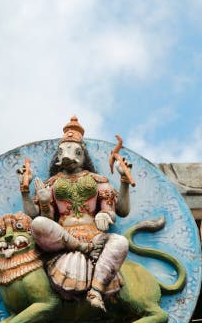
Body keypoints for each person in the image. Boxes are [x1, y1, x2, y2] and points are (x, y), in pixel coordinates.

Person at [19, 116, 131, 310]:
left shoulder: (97, 180)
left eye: (74, 150)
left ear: (82, 154)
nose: (67, 156)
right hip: (65, 238)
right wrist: (31, 194)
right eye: (63, 151)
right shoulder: (52, 183)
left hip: (95, 236)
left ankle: (96, 290)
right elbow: (42, 218)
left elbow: (117, 210)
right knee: (38, 224)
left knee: (121, 242)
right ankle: (82, 248)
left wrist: (106, 213)